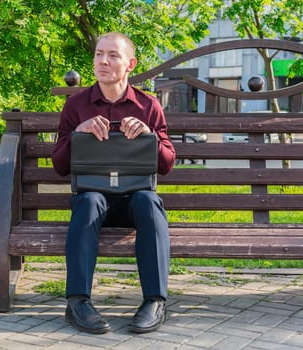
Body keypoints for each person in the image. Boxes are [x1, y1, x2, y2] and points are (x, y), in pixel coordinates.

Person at [52, 32, 176, 334]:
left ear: (130, 64)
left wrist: (149, 135)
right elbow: (58, 165)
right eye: (98, 54)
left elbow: (167, 163)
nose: (103, 61)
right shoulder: (76, 106)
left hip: (133, 203)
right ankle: (78, 302)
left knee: (149, 201)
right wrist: (79, 132)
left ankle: (154, 301)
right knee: (89, 199)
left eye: (112, 55)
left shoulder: (148, 105)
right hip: (94, 202)